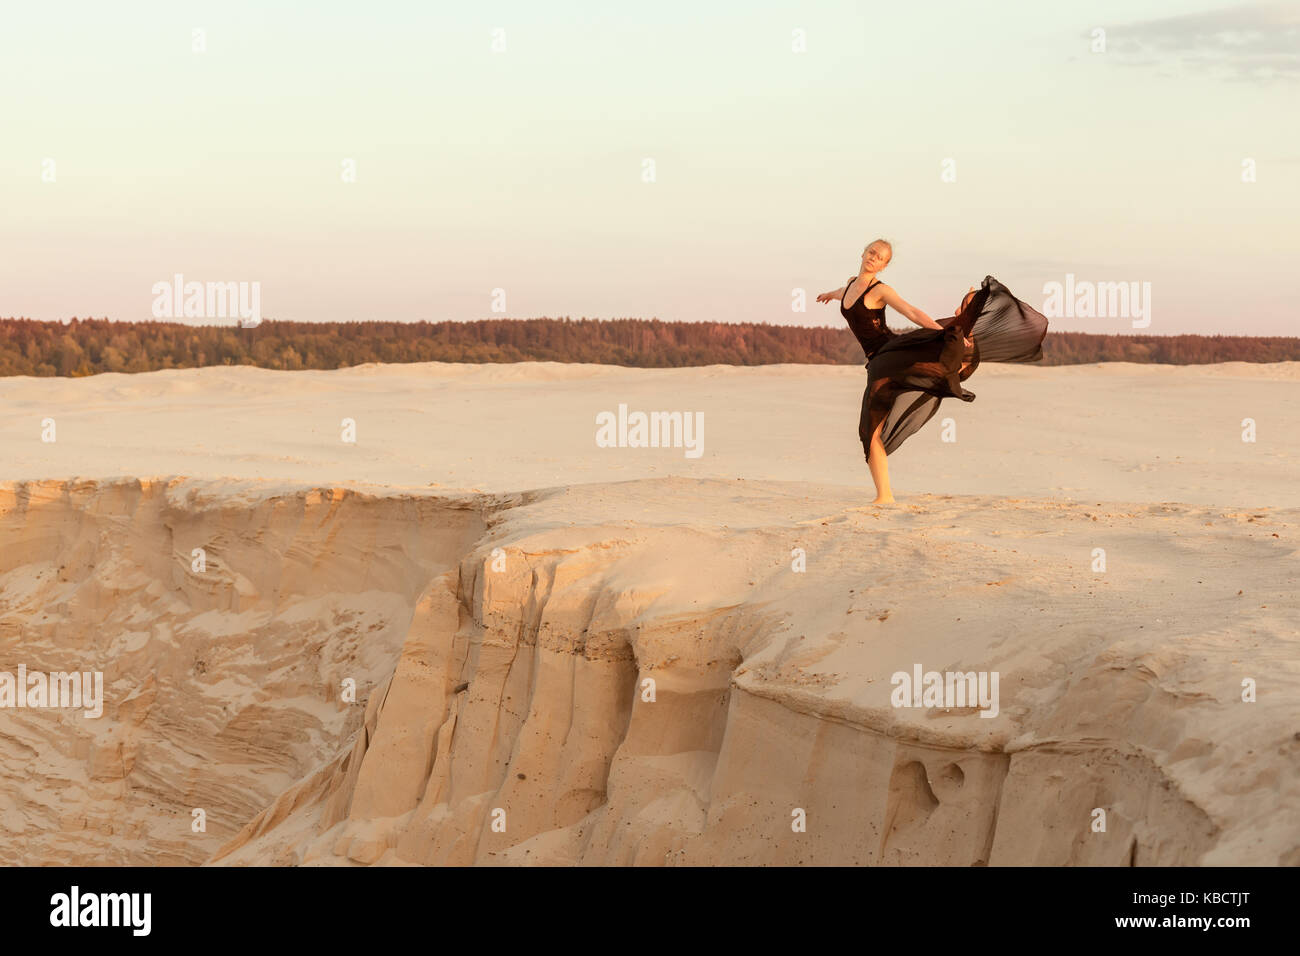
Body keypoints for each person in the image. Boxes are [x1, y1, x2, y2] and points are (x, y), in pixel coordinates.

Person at [818, 241, 1048, 504]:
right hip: (879, 361)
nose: (873, 258)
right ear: (863, 253)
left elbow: (911, 311)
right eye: (871, 252)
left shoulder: (881, 290)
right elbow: (843, 294)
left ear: (884, 266)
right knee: (870, 432)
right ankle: (885, 496)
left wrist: (942, 332)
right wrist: (829, 294)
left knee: (870, 429)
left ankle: (962, 330)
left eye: (879, 258)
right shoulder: (850, 284)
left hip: (889, 355)